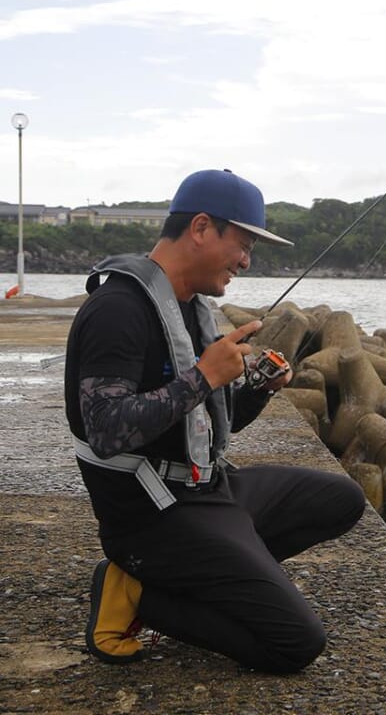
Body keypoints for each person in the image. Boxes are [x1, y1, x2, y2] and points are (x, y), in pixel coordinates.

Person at [64, 168, 366, 672]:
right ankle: (138, 590)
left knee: (342, 500)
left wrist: (255, 390)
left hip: (207, 490)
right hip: (152, 517)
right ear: (201, 228)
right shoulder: (118, 309)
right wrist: (204, 375)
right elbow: (106, 429)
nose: (247, 261)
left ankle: (214, 569)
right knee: (295, 644)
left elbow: (201, 426)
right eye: (243, 243)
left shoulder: (188, 309)